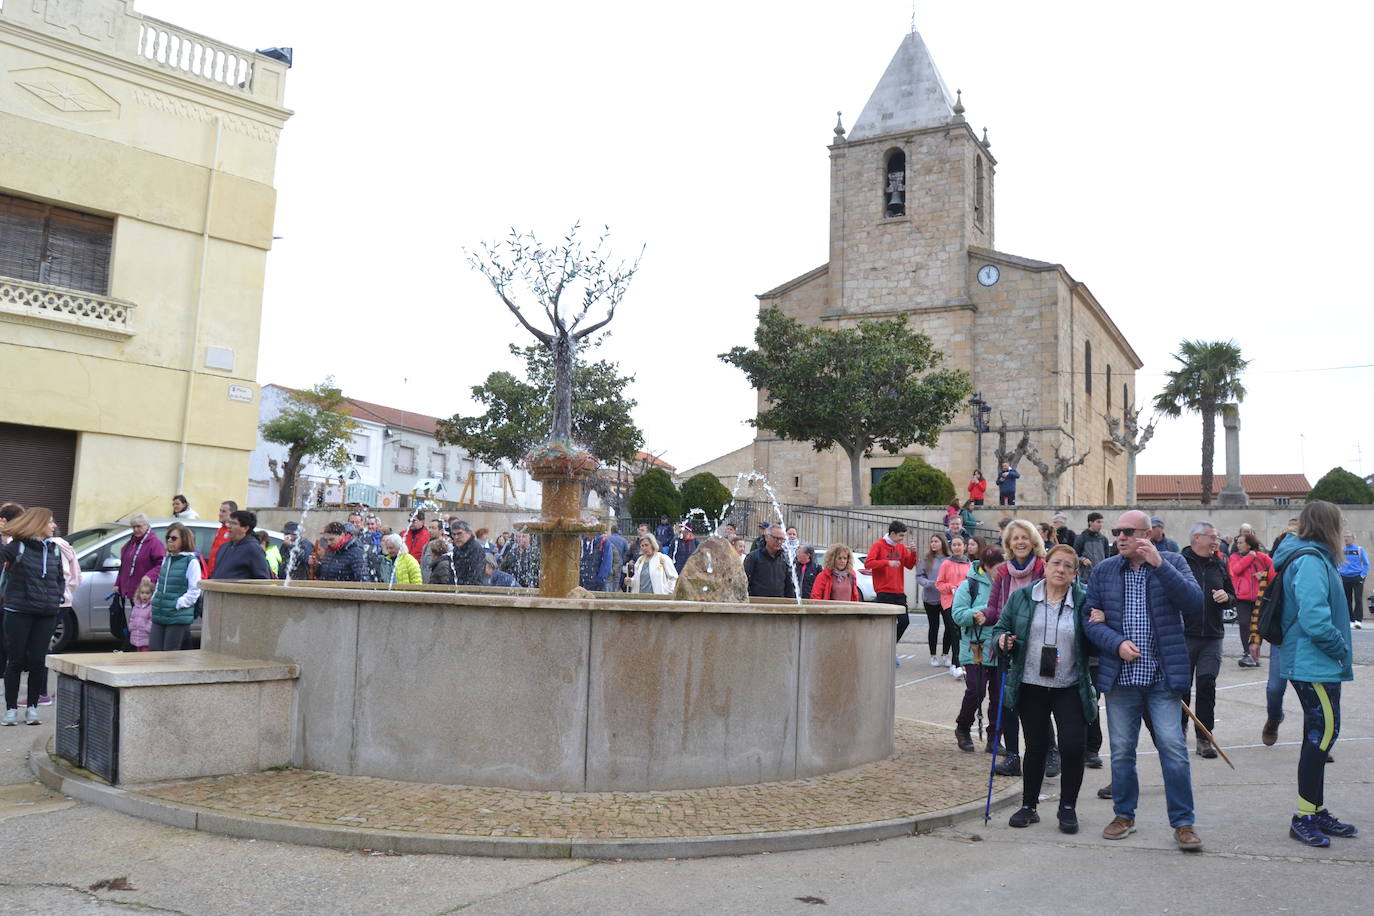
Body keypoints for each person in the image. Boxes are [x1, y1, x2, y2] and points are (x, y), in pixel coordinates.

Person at [1083, 509, 1204, 851]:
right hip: (1121, 679)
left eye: (1127, 531)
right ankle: (1124, 815)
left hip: (1163, 677)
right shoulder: (1106, 570)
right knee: (1121, 751)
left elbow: (1194, 603)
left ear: (1146, 536)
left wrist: (1160, 567)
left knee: (1173, 748)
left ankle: (1183, 823)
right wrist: (1116, 643)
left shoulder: (1173, 563)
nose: (1119, 537)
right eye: (1117, 531)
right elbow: (1090, 620)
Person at [1270, 501, 1357, 846]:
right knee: (1322, 735)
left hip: (1315, 662)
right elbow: (1316, 620)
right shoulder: (1309, 560)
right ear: (1329, 527)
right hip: (1313, 662)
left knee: (1321, 735)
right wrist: (1341, 650)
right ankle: (1304, 814)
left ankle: (1316, 809)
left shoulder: (1314, 557)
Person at [995, 544, 1097, 833]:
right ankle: (1029, 806)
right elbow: (1000, 628)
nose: (1061, 570)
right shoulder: (1022, 597)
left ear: (1075, 573)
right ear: (1045, 566)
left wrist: (1100, 624)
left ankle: (1067, 807)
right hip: (1031, 684)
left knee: (1073, 745)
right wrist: (1002, 640)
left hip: (1070, 685)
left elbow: (1095, 639)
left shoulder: (1084, 600)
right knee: (1036, 746)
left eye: (1068, 566)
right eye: (1056, 564)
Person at [986, 519, 1048, 777]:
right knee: (1008, 703)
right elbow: (994, 608)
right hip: (1010, 645)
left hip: (1044, 642)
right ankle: (1012, 756)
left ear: (1033, 541)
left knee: (1044, 701)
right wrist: (980, 616)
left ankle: (1049, 751)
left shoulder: (1044, 568)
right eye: (1015, 539)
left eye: (1025, 537)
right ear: (1009, 544)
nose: (1020, 542)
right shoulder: (1002, 572)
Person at [1, 508, 64, 726]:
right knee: (16, 660)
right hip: (18, 611)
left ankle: (32, 708)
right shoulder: (17, 546)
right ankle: (10, 710)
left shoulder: (55, 549)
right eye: (51, 522)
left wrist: (56, 599)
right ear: (38, 524)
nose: (54, 526)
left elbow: (59, 579)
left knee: (38, 661)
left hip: (46, 613)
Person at [1179, 521, 1234, 759]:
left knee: (1207, 685)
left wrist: (1227, 597)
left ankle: (1204, 738)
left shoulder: (1219, 564)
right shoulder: (1178, 562)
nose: (1216, 542)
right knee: (1180, 688)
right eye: (1212, 537)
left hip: (1212, 635)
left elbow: (1233, 595)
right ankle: (1177, 736)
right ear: (1196, 538)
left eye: (1217, 537)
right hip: (1182, 635)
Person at [952, 544, 1004, 752]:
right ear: (986, 566)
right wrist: (978, 613)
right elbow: (957, 615)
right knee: (976, 690)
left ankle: (994, 739)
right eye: (996, 567)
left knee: (999, 695)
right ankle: (963, 727)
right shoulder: (969, 585)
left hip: (1000, 648)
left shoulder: (1008, 584)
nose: (1000, 571)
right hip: (976, 647)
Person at [114, 513, 167, 647]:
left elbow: (162, 564)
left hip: (145, 591)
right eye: (134, 527)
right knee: (136, 620)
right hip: (132, 590)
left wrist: (150, 575)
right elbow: (124, 565)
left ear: (147, 526)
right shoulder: (131, 543)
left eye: (139, 526)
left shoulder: (154, 543)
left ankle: (143, 647)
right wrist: (118, 583)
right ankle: (135, 646)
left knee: (144, 623)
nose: (136, 529)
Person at [149, 523, 204, 651]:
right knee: (154, 652)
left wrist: (179, 603)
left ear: (184, 540)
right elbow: (160, 582)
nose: (169, 540)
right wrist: (155, 598)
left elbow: (195, 590)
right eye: (168, 537)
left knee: (170, 655)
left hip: (177, 616)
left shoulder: (191, 561)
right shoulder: (167, 559)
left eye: (174, 538)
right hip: (160, 613)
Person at [865, 521, 918, 650]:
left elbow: (910, 565)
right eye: (900, 536)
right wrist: (887, 563)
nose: (902, 539)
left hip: (898, 592)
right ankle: (882, 650)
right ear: (892, 534)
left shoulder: (900, 547)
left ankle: (889, 648)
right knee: (885, 624)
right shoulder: (878, 545)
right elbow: (868, 563)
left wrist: (913, 553)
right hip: (883, 591)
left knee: (904, 622)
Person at [1228, 532, 1272, 666]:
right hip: (1242, 597)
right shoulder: (1234, 557)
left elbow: (1274, 570)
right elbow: (1235, 570)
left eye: (1241, 542)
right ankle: (1247, 652)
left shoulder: (1262, 557)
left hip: (1260, 597)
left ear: (1249, 544)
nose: (1238, 545)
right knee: (1244, 623)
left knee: (1257, 626)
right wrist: (1249, 557)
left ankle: (1255, 654)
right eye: (1238, 542)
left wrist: (1263, 575)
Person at [935, 535, 973, 678]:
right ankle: (957, 664)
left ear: (964, 546)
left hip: (964, 603)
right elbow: (939, 583)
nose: (957, 547)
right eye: (954, 545)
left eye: (959, 545)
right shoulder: (946, 563)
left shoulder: (969, 564)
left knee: (962, 633)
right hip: (949, 602)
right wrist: (950, 587)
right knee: (955, 631)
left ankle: (959, 663)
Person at [914, 534, 950, 667]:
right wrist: (929, 583)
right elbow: (919, 576)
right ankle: (933, 655)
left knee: (949, 626)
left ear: (943, 543)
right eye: (932, 542)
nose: (933, 544)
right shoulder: (926, 559)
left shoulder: (949, 559)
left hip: (946, 597)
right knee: (933, 626)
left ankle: (945, 655)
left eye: (936, 541)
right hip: (931, 598)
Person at [210, 511, 272, 580]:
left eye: (234, 523)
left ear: (245, 528)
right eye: (229, 523)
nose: (229, 526)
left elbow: (262, 580)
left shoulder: (253, 549)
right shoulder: (224, 547)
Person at [744, 525, 795, 599]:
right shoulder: (753, 557)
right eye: (776, 538)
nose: (779, 542)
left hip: (779, 603)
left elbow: (789, 585)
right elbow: (745, 581)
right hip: (757, 603)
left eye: (782, 539)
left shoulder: (785, 558)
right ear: (767, 537)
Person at [1338, 532, 1368, 629]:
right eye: (1345, 536)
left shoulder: (1359, 550)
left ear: (1353, 538)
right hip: (1345, 577)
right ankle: (1350, 620)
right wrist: (1340, 573)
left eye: (1348, 537)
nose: (1346, 538)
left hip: (1357, 577)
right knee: (1347, 599)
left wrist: (1362, 575)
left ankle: (1358, 620)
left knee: (1358, 599)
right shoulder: (1341, 550)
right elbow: (1337, 562)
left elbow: (1366, 564)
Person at [202, 501, 236, 580]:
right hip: (212, 574)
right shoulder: (220, 530)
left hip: (222, 576)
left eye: (224, 511)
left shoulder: (233, 532)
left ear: (232, 513)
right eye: (220, 511)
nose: (220, 514)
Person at [1073, 512, 1110, 584]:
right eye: (1098, 522)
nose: (1101, 525)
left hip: (1101, 575)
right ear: (1090, 522)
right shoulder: (1081, 538)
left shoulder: (1103, 539)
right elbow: (1074, 555)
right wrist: (1083, 560)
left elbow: (1107, 557)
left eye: (1102, 522)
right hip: (1085, 577)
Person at [450, 521, 486, 586]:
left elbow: (474, 575)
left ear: (469, 533)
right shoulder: (457, 548)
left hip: (473, 590)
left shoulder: (476, 549)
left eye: (459, 533)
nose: (456, 537)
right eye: (454, 534)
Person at [128, 577, 154, 652]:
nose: (144, 595)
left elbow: (152, 620)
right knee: (138, 653)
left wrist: (147, 628)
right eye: (142, 593)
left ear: (152, 594)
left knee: (145, 654)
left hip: (146, 636)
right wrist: (131, 627)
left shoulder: (151, 607)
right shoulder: (136, 606)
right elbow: (132, 618)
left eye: (147, 593)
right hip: (136, 634)